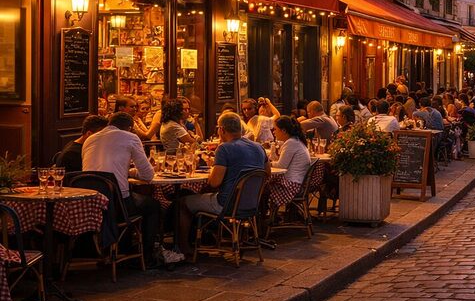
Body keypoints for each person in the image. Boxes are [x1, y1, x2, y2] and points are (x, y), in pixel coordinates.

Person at [176, 112, 271, 257]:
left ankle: (184, 248)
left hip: (226, 203)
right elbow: (267, 173)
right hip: (251, 203)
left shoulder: (224, 148)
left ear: (221, 130)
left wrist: (212, 170)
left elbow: (214, 182)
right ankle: (208, 237)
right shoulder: (259, 147)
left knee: (183, 202)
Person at [82, 112, 170, 265]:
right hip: (117, 205)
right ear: (130, 128)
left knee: (136, 198)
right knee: (153, 205)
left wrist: (127, 171)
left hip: (90, 203)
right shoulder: (130, 137)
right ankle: (147, 256)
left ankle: (124, 247)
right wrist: (132, 172)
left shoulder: (90, 139)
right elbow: (148, 175)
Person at [271, 116, 311, 184]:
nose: (273, 132)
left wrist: (268, 164)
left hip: (291, 184)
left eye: (275, 129)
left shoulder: (291, 142)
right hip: (296, 182)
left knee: (262, 186)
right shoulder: (295, 140)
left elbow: (281, 166)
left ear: (284, 130)